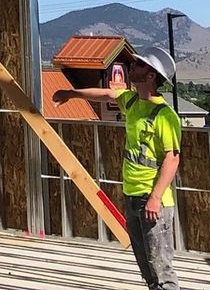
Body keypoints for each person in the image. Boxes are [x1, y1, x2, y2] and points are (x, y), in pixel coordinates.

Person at [54, 45, 182, 290]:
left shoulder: (165, 115)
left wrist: (155, 198)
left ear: (151, 75)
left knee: (161, 269)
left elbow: (172, 159)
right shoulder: (132, 101)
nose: (132, 66)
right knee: (147, 268)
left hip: (153, 200)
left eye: (139, 65)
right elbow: (105, 95)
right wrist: (71, 93)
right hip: (133, 195)